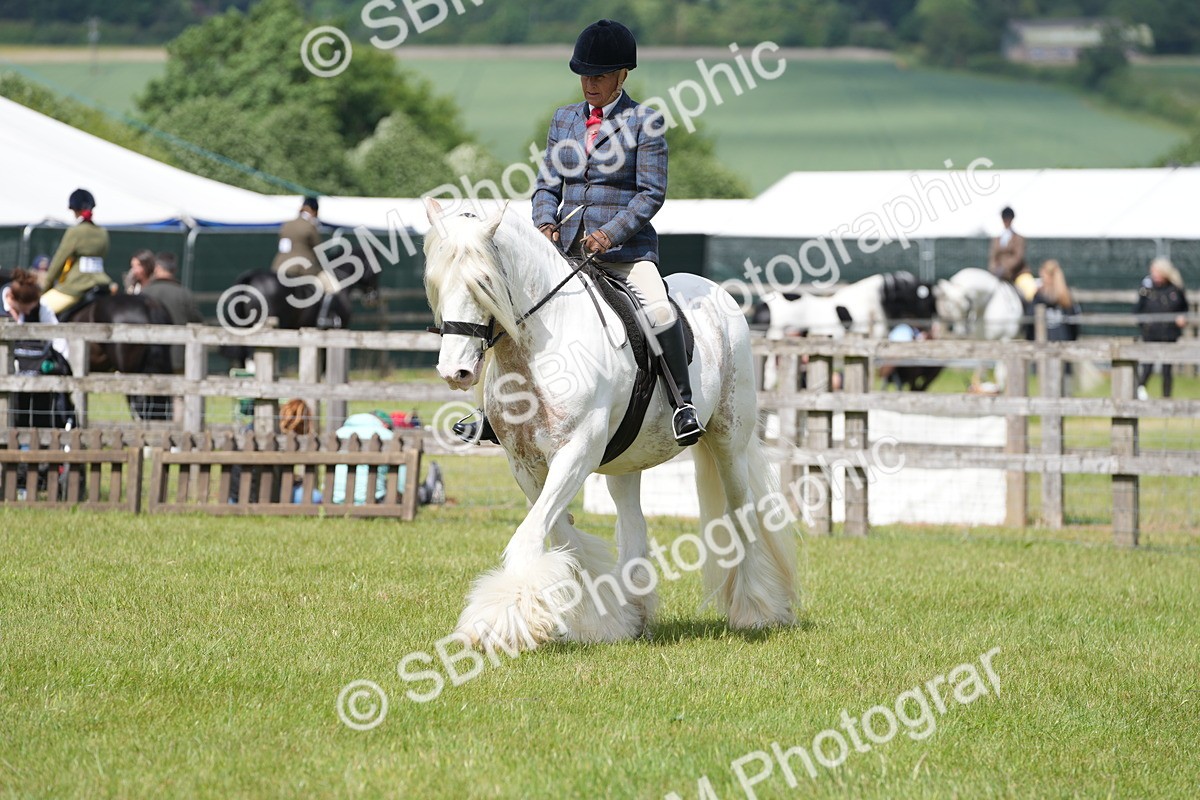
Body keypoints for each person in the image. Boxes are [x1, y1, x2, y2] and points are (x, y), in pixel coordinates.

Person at [456, 19, 703, 447]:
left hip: (626, 254)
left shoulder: (645, 122)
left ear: (622, 75)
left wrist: (610, 235)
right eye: (585, 76)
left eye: (600, 76)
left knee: (660, 311)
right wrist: (545, 222)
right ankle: (493, 413)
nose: (589, 84)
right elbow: (547, 183)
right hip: (567, 250)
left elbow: (650, 194)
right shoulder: (564, 119)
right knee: (510, 309)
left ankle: (683, 404)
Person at [41, 188, 114, 316]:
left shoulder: (75, 232)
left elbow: (59, 260)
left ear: (74, 210)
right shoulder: (103, 232)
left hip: (78, 285)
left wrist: (47, 285)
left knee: (40, 308)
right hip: (102, 283)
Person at [1134, 257, 1189, 399]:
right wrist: (1145, 325)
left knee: (1167, 368)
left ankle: (1166, 398)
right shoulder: (1147, 289)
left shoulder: (1175, 289)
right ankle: (1140, 391)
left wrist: (1183, 319)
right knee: (1148, 366)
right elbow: (1137, 310)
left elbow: (1184, 309)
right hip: (1151, 334)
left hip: (1169, 334)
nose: (1154, 275)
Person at [140, 251, 204, 372]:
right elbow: (197, 321)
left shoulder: (144, 294)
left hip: (148, 359)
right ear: (174, 270)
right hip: (178, 359)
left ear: (157, 268)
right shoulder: (185, 294)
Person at [272, 196, 337, 297]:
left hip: (279, 266)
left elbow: (282, 246)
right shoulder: (310, 226)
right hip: (301, 268)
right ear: (314, 211)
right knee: (334, 288)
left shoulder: (286, 225)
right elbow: (318, 249)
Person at [988, 206, 1035, 303]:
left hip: (1017, 274)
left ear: (1012, 219)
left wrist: (1004, 269)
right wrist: (994, 269)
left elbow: (1018, 257)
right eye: (1004, 218)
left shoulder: (1019, 238)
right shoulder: (996, 240)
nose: (1006, 221)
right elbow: (993, 257)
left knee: (1029, 291)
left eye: (1008, 218)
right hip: (998, 274)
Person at [1030, 259, 1080, 342]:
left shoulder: (1039, 296)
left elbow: (1030, 320)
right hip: (1065, 343)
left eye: (1043, 277)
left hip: (1046, 345)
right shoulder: (1067, 296)